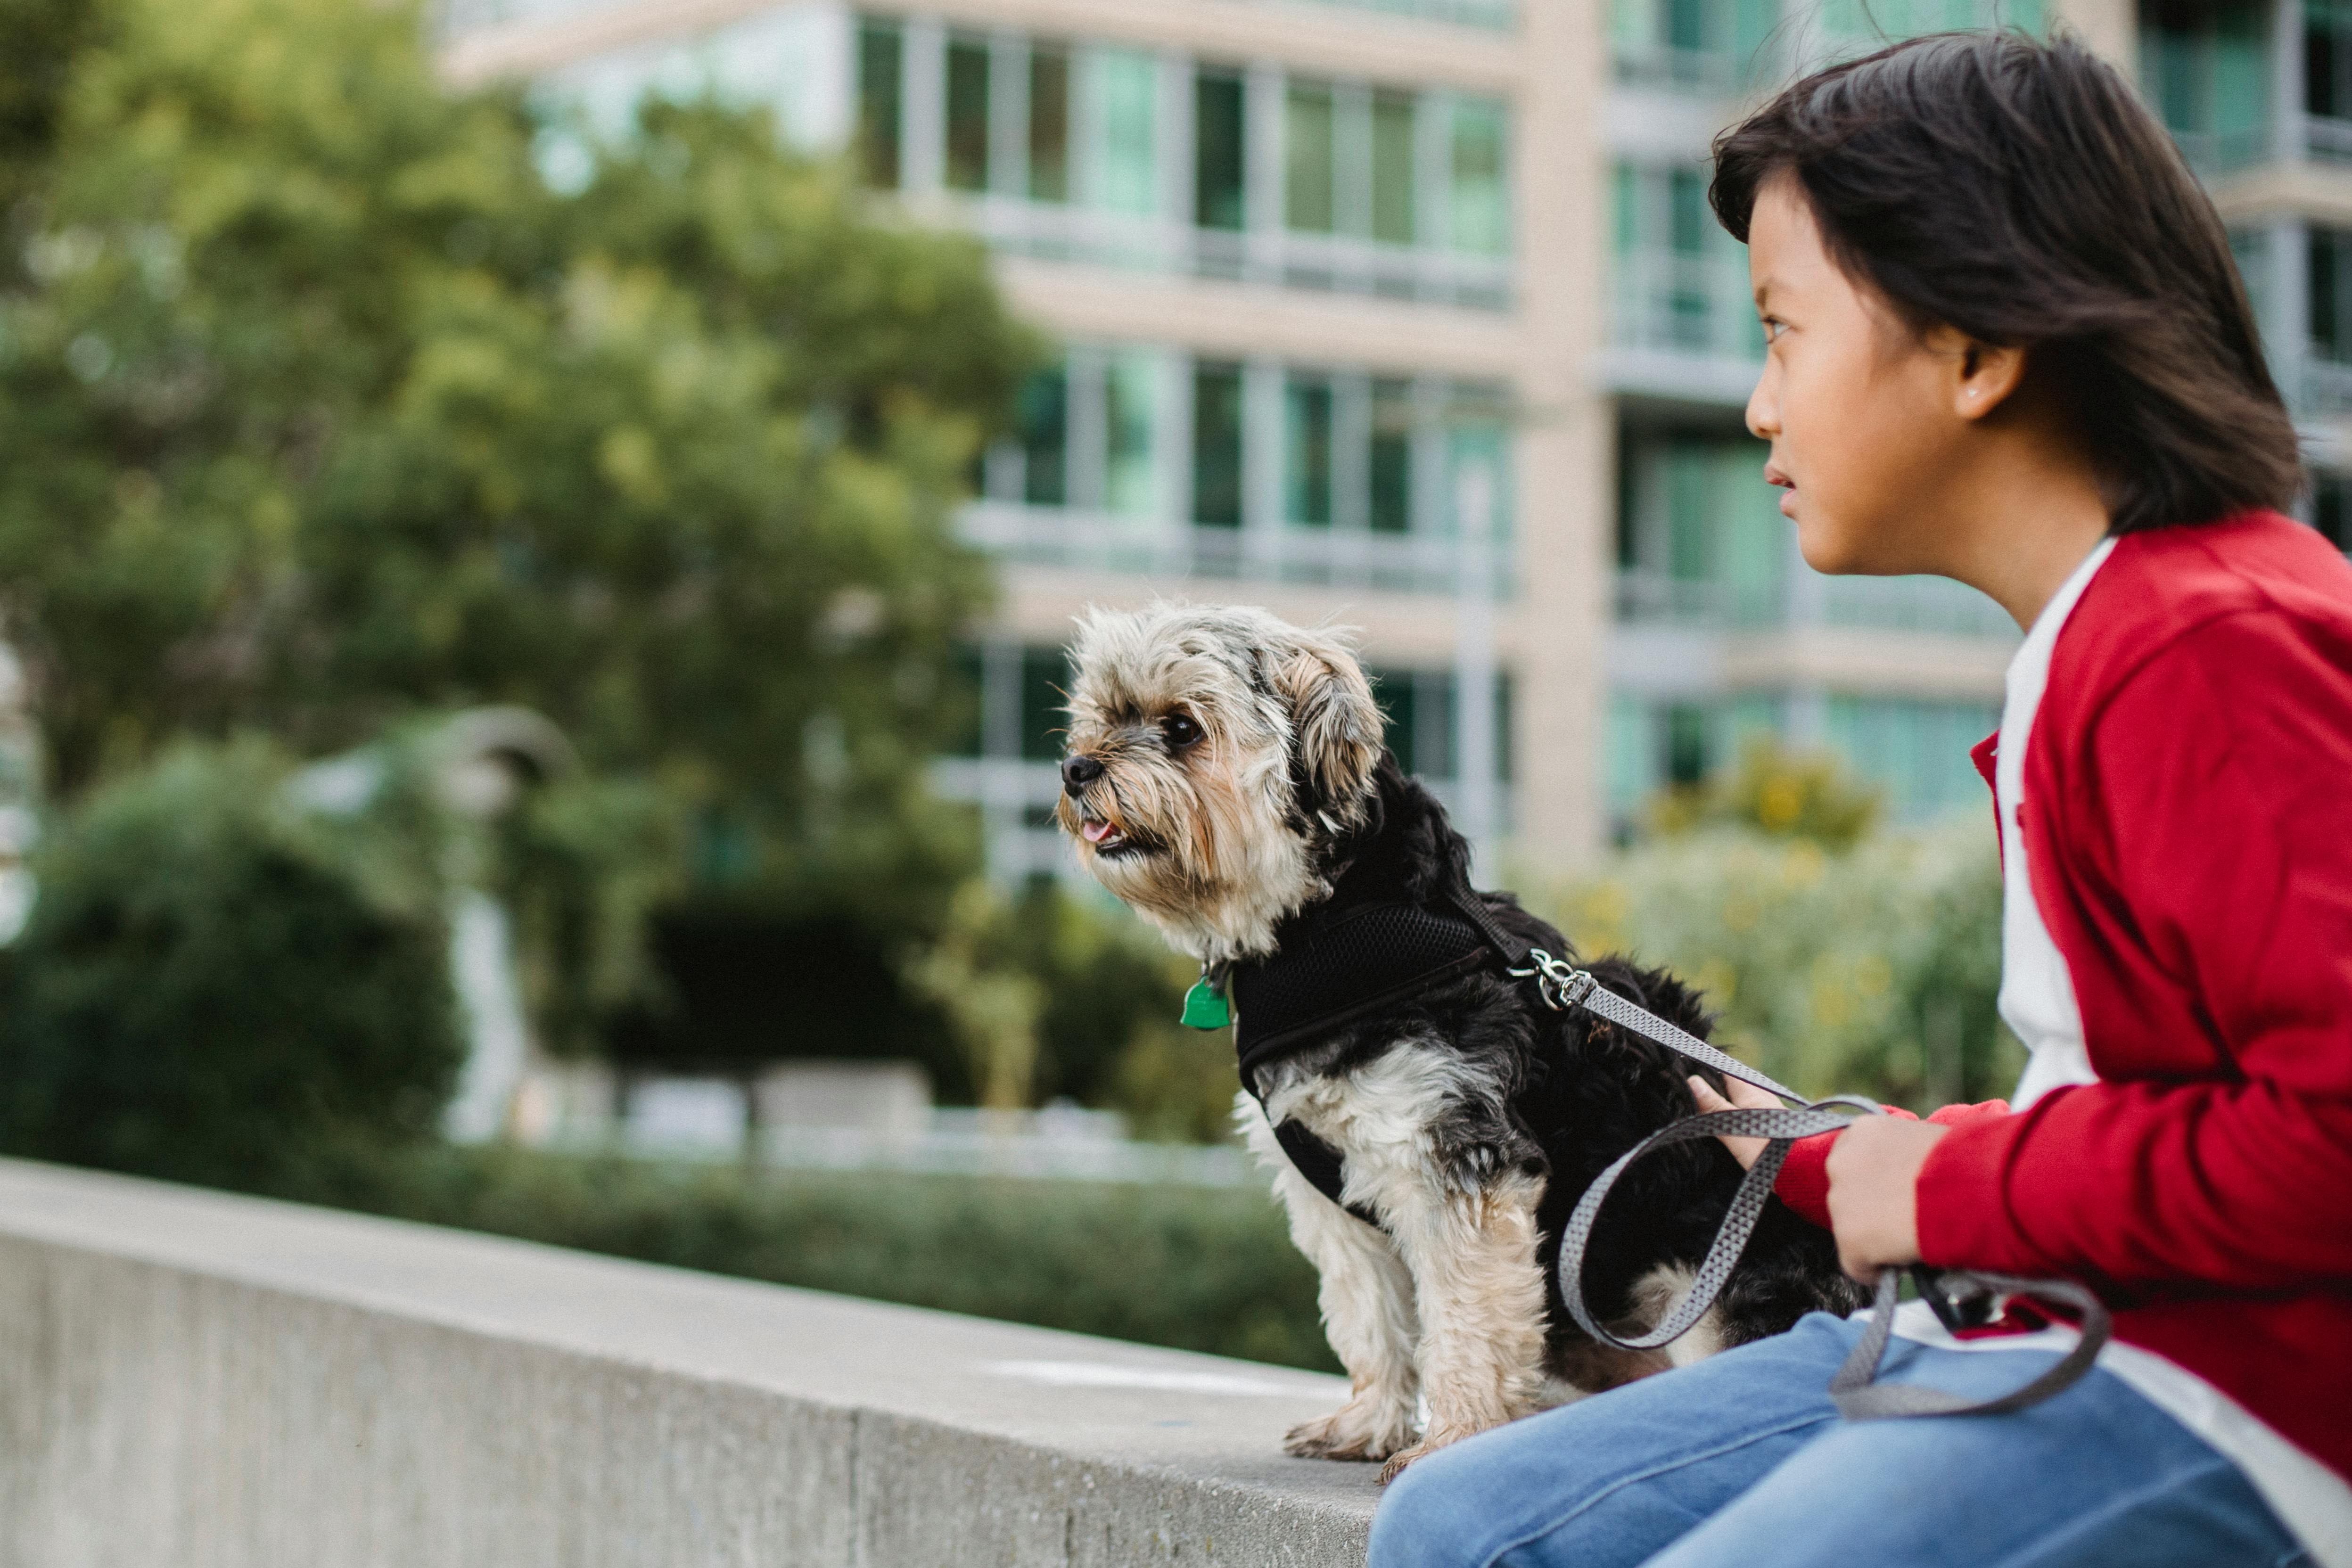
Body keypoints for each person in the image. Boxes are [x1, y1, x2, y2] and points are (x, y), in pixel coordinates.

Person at [1368, 29, 2352, 1568]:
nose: (1760, 409)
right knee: (1459, 1522)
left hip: (2240, 1406)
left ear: (1976, 348)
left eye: (1785, 334)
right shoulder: (2108, 637)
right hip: (2055, 1333)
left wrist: (1952, 1185)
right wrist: (1835, 1154)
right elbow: (2154, 1097)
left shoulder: (2207, 641)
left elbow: (2331, 1143)